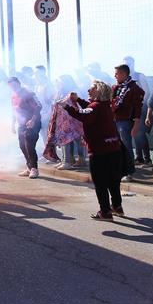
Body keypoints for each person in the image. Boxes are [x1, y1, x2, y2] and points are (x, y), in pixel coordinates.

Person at [64, 80, 124, 220]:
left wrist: (67, 107)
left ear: (98, 91)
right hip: (114, 149)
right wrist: (77, 100)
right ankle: (117, 206)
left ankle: (105, 212)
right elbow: (90, 109)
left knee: (100, 182)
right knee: (113, 181)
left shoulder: (96, 106)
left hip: (99, 151)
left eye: (91, 89)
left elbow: (84, 115)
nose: (88, 91)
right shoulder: (105, 106)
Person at [111, 64, 145, 180]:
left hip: (126, 121)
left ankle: (128, 172)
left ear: (125, 74)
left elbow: (137, 107)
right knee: (118, 147)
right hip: (117, 120)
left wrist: (136, 124)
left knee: (127, 147)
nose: (115, 76)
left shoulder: (134, 88)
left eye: (117, 73)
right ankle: (121, 169)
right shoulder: (116, 87)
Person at [8, 76, 42, 178]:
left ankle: (34, 169)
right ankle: (29, 167)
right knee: (22, 146)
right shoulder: (13, 95)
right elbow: (14, 111)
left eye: (14, 85)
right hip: (21, 124)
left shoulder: (28, 93)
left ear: (19, 83)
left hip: (32, 123)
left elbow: (39, 106)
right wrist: (13, 124)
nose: (13, 88)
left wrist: (33, 120)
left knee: (29, 146)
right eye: (11, 86)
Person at [124, 56, 152, 165]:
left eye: (129, 63)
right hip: (129, 111)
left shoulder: (140, 76)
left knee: (140, 133)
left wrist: (138, 105)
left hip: (140, 109)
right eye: (126, 63)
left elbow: (147, 92)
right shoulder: (125, 78)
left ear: (133, 63)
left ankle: (147, 159)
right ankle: (139, 157)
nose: (128, 65)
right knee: (134, 133)